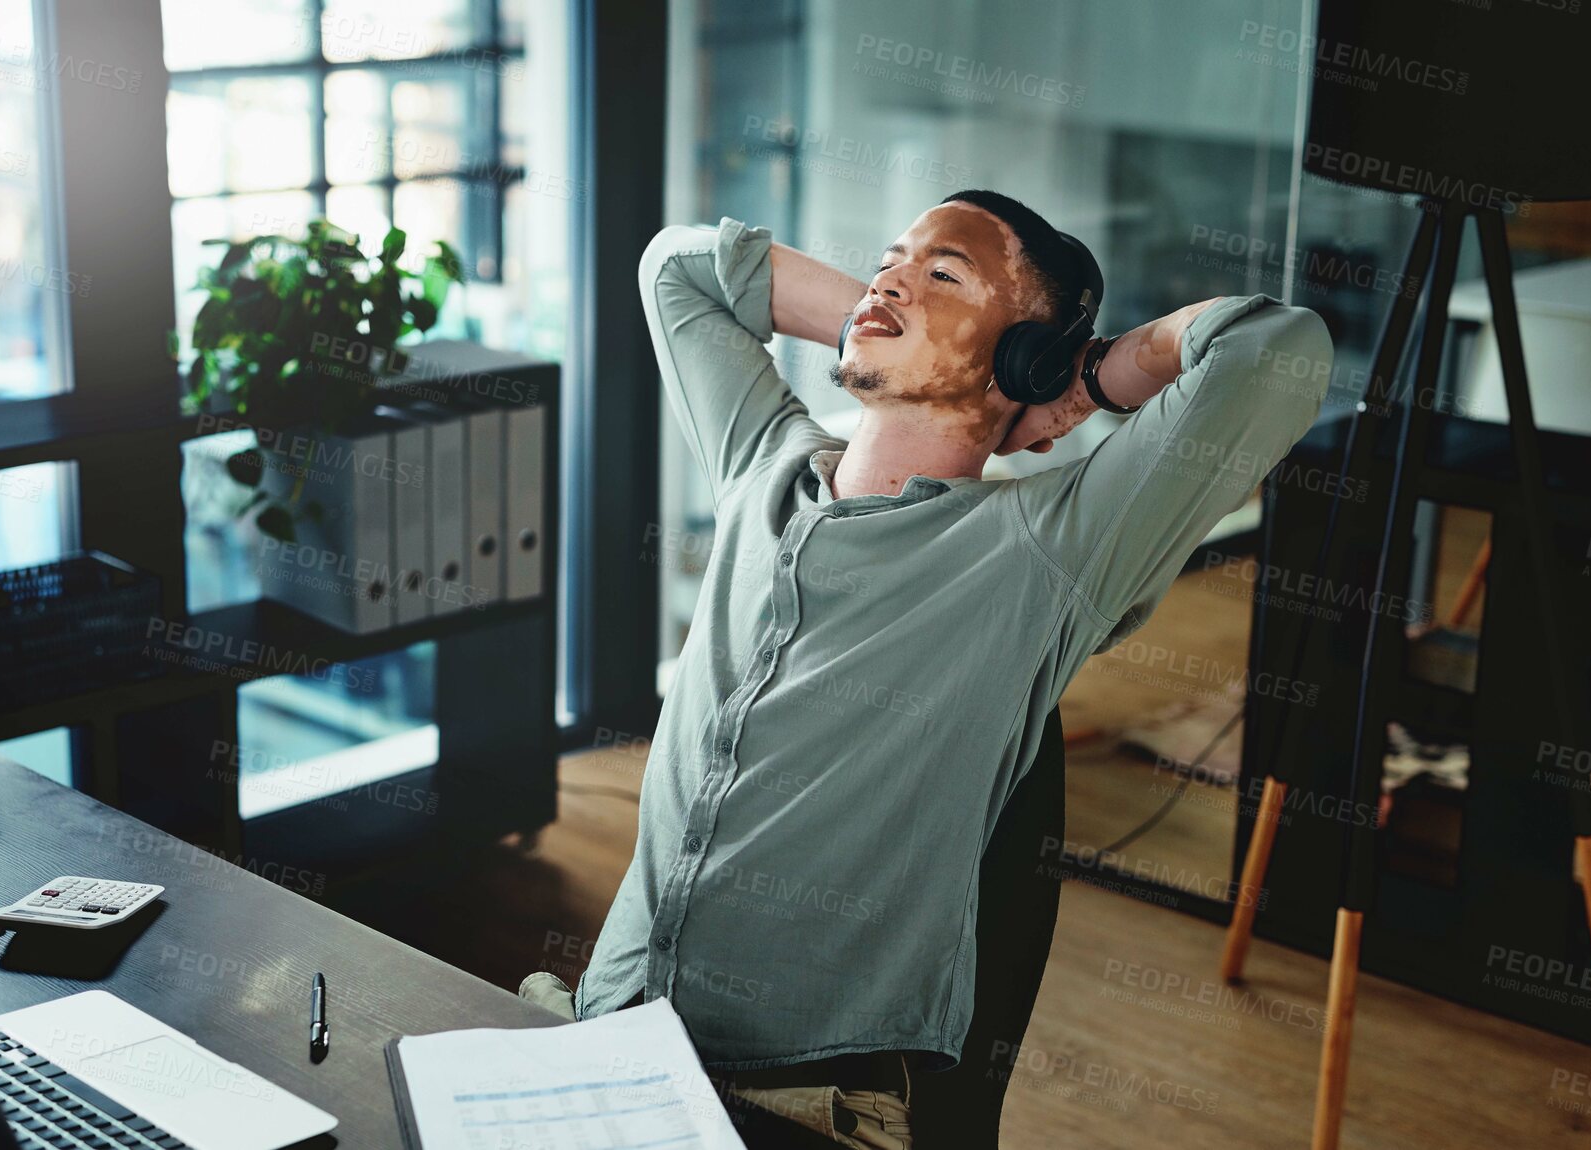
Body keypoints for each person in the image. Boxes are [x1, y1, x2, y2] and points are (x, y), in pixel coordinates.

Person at [520, 189, 1333, 1147]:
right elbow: (678, 270)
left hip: (790, 1095)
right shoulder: (763, 462)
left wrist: (1084, 378)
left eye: (944, 272)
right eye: (889, 259)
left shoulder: (1044, 549)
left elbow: (1278, 351)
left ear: (1027, 353)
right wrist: (904, 318)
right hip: (601, 1027)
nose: (891, 276)